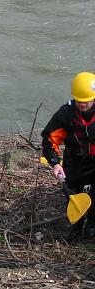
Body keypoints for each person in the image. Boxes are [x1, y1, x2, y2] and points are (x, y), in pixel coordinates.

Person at [42, 71, 95, 235]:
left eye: (86, 101)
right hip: (74, 163)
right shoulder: (66, 114)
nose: (82, 104)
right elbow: (49, 140)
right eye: (79, 100)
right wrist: (55, 163)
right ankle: (77, 226)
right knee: (72, 192)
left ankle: (92, 225)